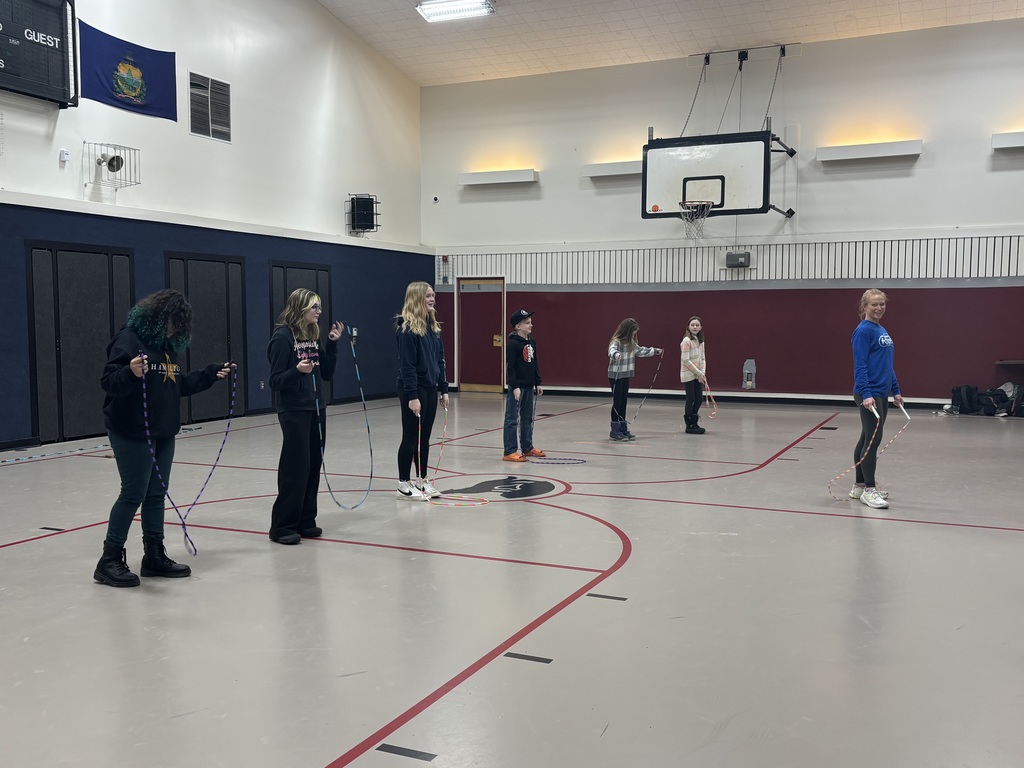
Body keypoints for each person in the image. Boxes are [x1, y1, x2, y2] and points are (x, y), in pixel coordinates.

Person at [95, 289, 233, 587]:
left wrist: (210, 375)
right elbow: (109, 381)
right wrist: (130, 371)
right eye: (173, 320)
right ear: (157, 316)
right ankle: (108, 560)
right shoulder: (129, 339)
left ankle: (154, 555)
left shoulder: (167, 348)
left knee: (157, 494)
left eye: (180, 323)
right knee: (133, 492)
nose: (176, 328)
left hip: (162, 430)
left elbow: (175, 385)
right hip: (131, 428)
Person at [267, 288, 344, 544]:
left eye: (320, 307)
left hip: (316, 406)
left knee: (313, 464)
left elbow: (326, 373)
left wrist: (332, 344)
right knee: (295, 466)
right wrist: (297, 372)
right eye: (315, 307)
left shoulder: (312, 335)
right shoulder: (282, 338)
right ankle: (282, 526)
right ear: (301, 308)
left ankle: (306, 520)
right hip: (293, 408)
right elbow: (276, 381)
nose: (319, 312)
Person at [395, 282, 450, 501]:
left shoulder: (434, 328)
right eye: (427, 296)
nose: (432, 299)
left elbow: (440, 360)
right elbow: (406, 366)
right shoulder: (407, 329)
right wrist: (412, 396)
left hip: (430, 387)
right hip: (413, 389)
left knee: (424, 438)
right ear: (416, 298)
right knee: (410, 437)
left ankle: (422, 480)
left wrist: (444, 389)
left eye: (433, 296)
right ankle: (402, 482)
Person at [850, 289, 903, 510]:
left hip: (881, 392)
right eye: (874, 305)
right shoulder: (863, 331)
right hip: (868, 392)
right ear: (864, 307)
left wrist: (896, 389)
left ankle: (859, 485)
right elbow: (860, 365)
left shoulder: (881, 329)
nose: (879, 308)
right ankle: (869, 490)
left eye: (882, 304)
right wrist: (867, 394)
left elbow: (886, 363)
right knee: (873, 440)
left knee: (867, 438)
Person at [607, 318, 663, 441]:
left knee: (623, 402)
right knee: (617, 402)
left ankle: (623, 428)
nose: (634, 334)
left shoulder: (631, 342)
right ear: (626, 331)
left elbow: (640, 350)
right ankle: (614, 430)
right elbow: (611, 350)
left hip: (626, 374)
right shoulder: (616, 341)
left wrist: (654, 351)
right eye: (633, 332)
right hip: (615, 375)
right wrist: (615, 354)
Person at [503, 309, 545, 462]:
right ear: (517, 326)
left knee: (527, 418)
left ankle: (527, 447)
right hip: (518, 387)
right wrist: (515, 387)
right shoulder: (513, 345)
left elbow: (534, 363)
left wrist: (538, 382)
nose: (531, 325)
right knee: (512, 419)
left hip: (529, 386)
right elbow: (511, 368)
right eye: (527, 323)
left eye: (531, 322)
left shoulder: (531, 342)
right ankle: (509, 450)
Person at [679, 315, 707, 435]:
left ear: (700, 327)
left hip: (698, 375)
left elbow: (702, 358)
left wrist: (703, 373)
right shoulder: (686, 341)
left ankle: (694, 421)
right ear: (688, 327)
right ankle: (689, 424)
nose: (695, 327)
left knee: (699, 398)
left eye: (697, 325)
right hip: (688, 374)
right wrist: (698, 372)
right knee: (691, 398)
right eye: (692, 325)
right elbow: (685, 360)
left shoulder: (700, 341)